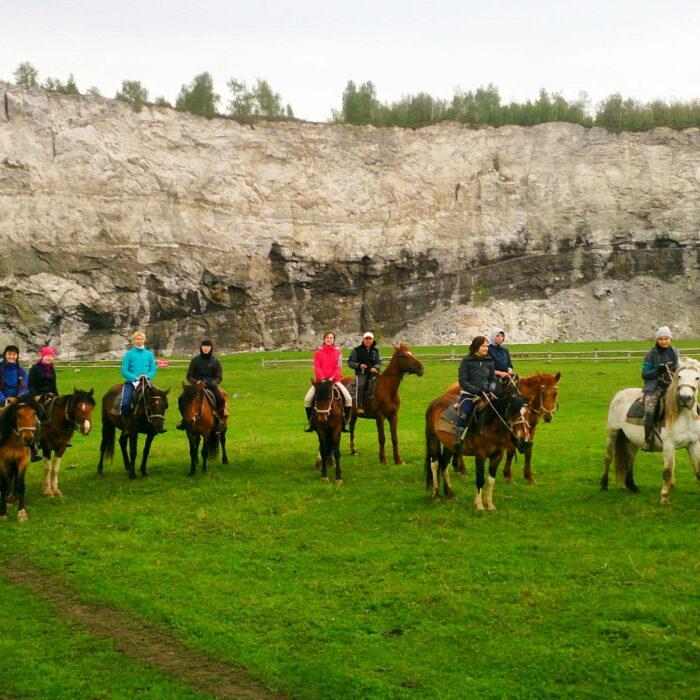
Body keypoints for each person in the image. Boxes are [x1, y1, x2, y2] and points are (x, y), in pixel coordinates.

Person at [453, 335, 496, 454]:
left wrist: (491, 388)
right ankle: (459, 440)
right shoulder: (466, 361)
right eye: (483, 346)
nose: (486, 348)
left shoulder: (489, 360)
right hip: (469, 395)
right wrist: (476, 391)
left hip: (487, 394)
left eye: (487, 346)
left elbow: (493, 378)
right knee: (464, 413)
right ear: (476, 347)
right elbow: (463, 381)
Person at [304, 331, 353, 432]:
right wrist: (322, 378)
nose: (329, 339)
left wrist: (331, 379)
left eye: (331, 338)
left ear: (334, 340)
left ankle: (345, 423)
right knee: (307, 400)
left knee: (348, 399)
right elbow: (317, 366)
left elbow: (338, 367)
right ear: (324, 339)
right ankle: (311, 423)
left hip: (334, 381)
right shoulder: (318, 352)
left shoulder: (338, 353)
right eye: (327, 337)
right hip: (320, 382)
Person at [640, 325, 679, 451]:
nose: (663, 341)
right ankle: (648, 439)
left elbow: (680, 368)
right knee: (649, 411)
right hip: (655, 388)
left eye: (666, 338)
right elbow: (644, 374)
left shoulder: (675, 352)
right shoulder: (651, 354)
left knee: (689, 401)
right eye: (661, 339)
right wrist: (658, 371)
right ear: (657, 340)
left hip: (672, 387)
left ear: (670, 339)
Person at [0, 344, 41, 461]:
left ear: (17, 356)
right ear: (5, 355)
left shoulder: (21, 370)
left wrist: (19, 398)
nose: (11, 356)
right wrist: (4, 399)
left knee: (36, 422)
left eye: (14, 354)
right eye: (9, 354)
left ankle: (34, 449)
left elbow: (25, 387)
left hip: (18, 400)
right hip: (3, 399)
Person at [177, 339, 228, 430]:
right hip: (197, 385)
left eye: (208, 346)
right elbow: (189, 376)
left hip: (211, 385)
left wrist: (213, 383)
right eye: (204, 346)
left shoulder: (215, 361)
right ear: (201, 347)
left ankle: (219, 418)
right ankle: (184, 419)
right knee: (181, 399)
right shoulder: (195, 360)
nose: (206, 348)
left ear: (211, 348)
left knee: (220, 399)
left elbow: (219, 377)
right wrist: (196, 382)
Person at [120, 331, 157, 418]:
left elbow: (153, 369)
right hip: (131, 383)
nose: (139, 341)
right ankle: (126, 422)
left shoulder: (149, 354)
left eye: (141, 339)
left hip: (147, 382)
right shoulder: (129, 354)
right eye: (137, 339)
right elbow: (124, 370)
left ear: (144, 340)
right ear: (133, 341)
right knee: (125, 403)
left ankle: (156, 423)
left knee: (158, 401)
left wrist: (147, 376)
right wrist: (135, 378)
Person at [347, 331, 382, 411]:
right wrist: (359, 365)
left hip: (374, 373)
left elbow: (379, 362)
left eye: (370, 339)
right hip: (361, 374)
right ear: (363, 340)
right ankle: (359, 406)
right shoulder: (356, 350)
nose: (368, 341)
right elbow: (350, 363)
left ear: (372, 340)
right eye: (366, 339)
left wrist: (376, 368)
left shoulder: (376, 351)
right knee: (361, 385)